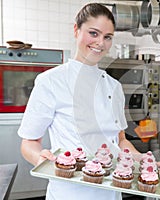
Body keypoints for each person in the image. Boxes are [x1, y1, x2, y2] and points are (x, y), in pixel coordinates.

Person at [18, 3, 141, 200]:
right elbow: (29, 142)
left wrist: (137, 158)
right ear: (76, 30)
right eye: (94, 33)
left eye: (107, 37)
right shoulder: (50, 81)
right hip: (69, 192)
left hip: (110, 191)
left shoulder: (114, 87)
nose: (100, 43)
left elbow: (120, 140)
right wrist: (40, 158)